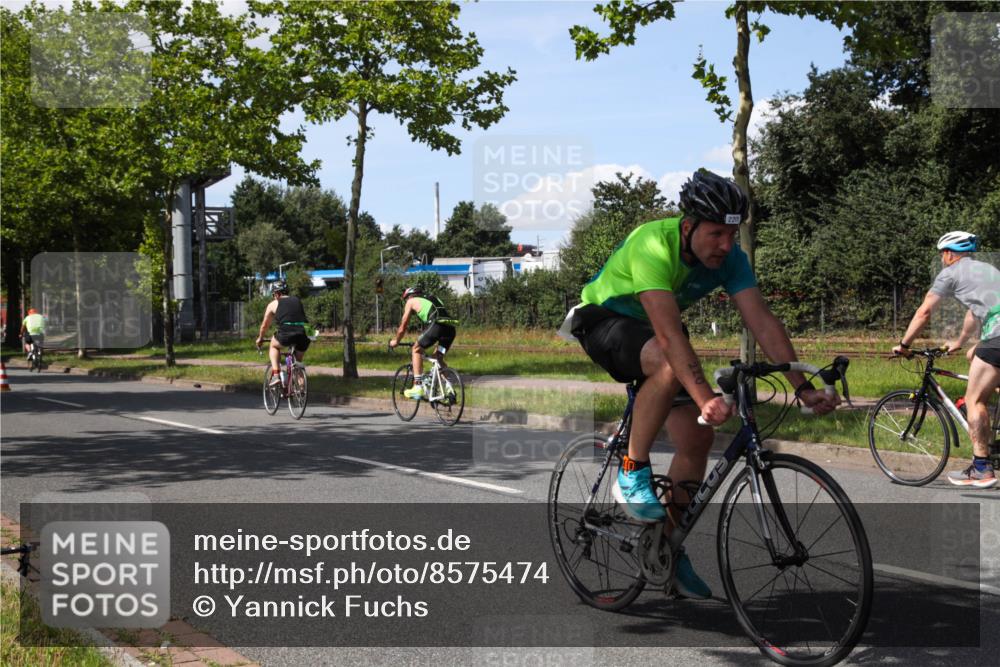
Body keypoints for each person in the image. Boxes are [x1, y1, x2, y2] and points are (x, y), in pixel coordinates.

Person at [562, 169, 840, 598]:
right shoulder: (652, 243)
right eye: (715, 235)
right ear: (688, 225)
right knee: (669, 362)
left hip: (656, 337)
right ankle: (632, 470)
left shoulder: (731, 259)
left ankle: (667, 550)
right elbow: (670, 337)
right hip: (604, 322)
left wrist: (801, 386)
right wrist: (706, 396)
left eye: (732, 236)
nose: (725, 246)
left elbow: (762, 320)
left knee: (695, 442)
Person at [892, 231, 1000, 488]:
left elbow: (925, 311)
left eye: (943, 254)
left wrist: (905, 345)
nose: (942, 259)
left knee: (975, 399)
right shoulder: (986, 270)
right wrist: (963, 343)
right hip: (994, 336)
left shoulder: (950, 273)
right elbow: (976, 313)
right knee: (984, 366)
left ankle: (981, 468)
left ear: (950, 253)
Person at [389, 286, 459, 400]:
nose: (406, 302)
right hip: (450, 330)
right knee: (438, 357)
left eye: (405, 299)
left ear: (409, 296)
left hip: (437, 326)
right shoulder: (433, 298)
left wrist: (396, 341)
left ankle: (418, 387)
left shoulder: (411, 301)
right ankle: (450, 389)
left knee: (416, 349)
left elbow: (403, 327)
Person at [255, 281, 311, 386]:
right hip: (304, 334)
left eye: (273, 295)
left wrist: (260, 338)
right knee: (297, 363)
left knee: (273, 346)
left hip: (286, 333)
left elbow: (264, 326)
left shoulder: (274, 304)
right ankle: (301, 389)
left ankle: (276, 375)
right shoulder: (297, 300)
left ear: (276, 293)